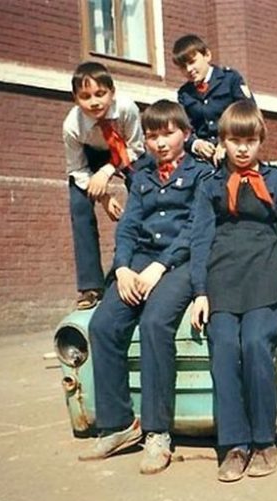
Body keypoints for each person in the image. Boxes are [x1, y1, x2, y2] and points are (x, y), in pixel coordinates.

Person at [190, 101, 277, 482]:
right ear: (223, 141)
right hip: (221, 279)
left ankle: (264, 440)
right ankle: (234, 445)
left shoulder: (275, 180)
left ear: (260, 140)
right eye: (235, 140)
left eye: (250, 140)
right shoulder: (210, 184)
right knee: (223, 348)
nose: (243, 148)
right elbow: (199, 240)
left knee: (254, 345)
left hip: (262, 275)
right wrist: (199, 292)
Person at [78, 100, 212, 476]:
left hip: (180, 264)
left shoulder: (202, 174)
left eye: (168, 133)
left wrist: (159, 267)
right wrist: (122, 268)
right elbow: (129, 227)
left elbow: (195, 229)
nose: (160, 143)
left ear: (186, 134)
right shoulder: (141, 178)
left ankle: (157, 432)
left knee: (155, 323)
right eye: (152, 136)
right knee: (103, 325)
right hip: (139, 263)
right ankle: (119, 425)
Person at [63, 61, 146, 310]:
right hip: (90, 158)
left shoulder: (127, 109)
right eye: (85, 96)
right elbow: (76, 169)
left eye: (100, 94)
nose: (94, 102)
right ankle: (91, 286)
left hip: (125, 151)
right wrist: (103, 196)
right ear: (75, 99)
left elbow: (136, 148)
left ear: (112, 92)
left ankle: (141, 257)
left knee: (143, 186)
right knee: (79, 204)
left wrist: (108, 171)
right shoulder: (72, 126)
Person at [172, 34, 254, 164]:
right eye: (183, 67)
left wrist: (227, 142)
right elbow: (183, 127)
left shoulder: (230, 79)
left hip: (235, 154)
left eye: (192, 62)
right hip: (202, 161)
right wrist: (196, 144)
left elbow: (249, 114)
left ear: (207, 55)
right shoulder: (184, 93)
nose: (189, 69)